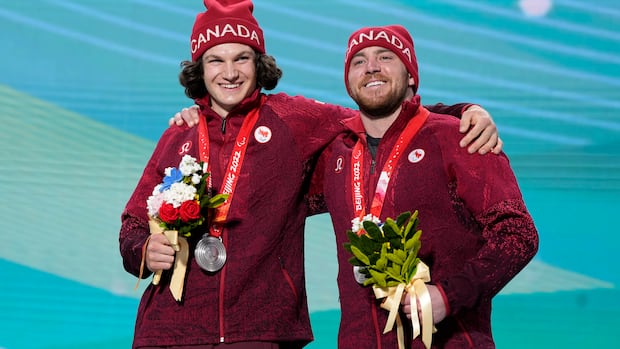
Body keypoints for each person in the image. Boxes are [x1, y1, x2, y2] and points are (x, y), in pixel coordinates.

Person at [120, 1, 501, 348]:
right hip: (166, 329)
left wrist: (462, 110)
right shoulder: (178, 134)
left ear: (259, 63)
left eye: (242, 58)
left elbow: (380, 110)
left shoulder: (294, 118)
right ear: (199, 70)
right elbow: (133, 224)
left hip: (260, 328)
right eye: (216, 61)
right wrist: (142, 250)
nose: (231, 73)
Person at [304, 25, 539, 348]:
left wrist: (448, 295)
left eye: (385, 57)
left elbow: (518, 234)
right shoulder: (336, 154)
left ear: (411, 76)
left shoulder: (459, 138)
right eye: (358, 61)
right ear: (348, 83)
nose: (371, 66)